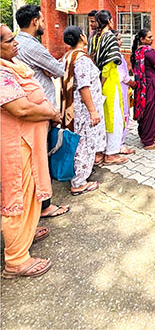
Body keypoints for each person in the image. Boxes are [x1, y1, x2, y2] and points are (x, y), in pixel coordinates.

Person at [1, 23, 56, 278]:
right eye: (8, 40)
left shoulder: (10, 66)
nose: (15, 43)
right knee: (17, 195)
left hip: (27, 141)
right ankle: (15, 260)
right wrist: (50, 112)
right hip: (13, 144)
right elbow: (21, 109)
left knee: (30, 189)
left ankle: (26, 232)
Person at [60, 26, 106, 195]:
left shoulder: (66, 56)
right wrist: (93, 111)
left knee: (79, 142)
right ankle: (79, 182)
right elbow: (84, 87)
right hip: (83, 110)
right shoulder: (81, 59)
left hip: (73, 107)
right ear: (82, 37)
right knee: (84, 144)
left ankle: (79, 175)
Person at [87, 10, 132, 161]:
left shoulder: (94, 38)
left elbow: (92, 59)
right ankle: (111, 153)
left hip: (98, 80)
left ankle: (100, 152)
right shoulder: (110, 38)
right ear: (110, 21)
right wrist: (102, 82)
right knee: (114, 118)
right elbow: (108, 64)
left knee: (104, 118)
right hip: (109, 82)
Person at [129, 29, 155, 150]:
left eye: (152, 37)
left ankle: (146, 135)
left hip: (141, 85)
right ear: (142, 39)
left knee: (144, 109)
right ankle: (148, 142)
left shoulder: (137, 51)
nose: (152, 39)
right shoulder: (149, 51)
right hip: (151, 85)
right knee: (152, 110)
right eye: (149, 37)